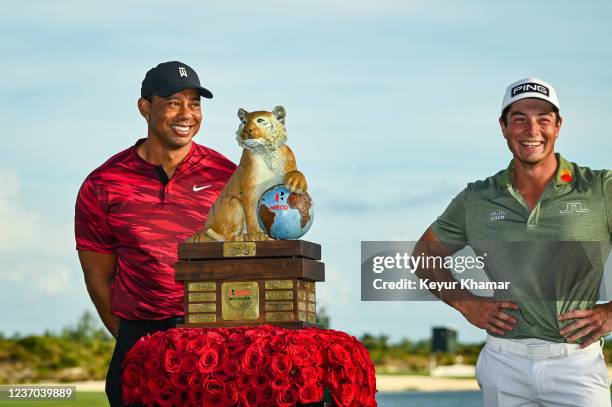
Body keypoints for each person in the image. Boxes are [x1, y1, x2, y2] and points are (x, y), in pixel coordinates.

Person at [415, 77, 612, 406]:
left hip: (575, 363)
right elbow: (424, 255)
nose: (531, 129)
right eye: (519, 118)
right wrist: (465, 302)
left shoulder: (599, 189)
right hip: (503, 363)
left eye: (543, 118)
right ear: (503, 127)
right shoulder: (477, 198)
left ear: (558, 126)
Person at [74, 61, 236, 407]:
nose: (187, 114)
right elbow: (99, 278)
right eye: (174, 102)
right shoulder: (103, 183)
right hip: (139, 341)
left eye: (194, 104)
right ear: (145, 108)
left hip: (213, 340)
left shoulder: (227, 176)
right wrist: (133, 337)